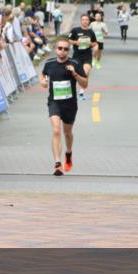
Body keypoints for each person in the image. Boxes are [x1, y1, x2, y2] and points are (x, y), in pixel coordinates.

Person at [40, 37, 89, 176]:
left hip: (70, 104)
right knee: (56, 130)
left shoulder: (75, 63)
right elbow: (43, 75)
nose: (62, 51)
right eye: (60, 48)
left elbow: (85, 84)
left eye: (66, 49)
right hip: (54, 102)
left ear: (69, 50)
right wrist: (43, 82)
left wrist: (74, 73)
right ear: (56, 49)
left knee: (67, 133)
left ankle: (68, 153)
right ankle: (57, 164)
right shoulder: (49, 63)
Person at [67, 14, 97, 101]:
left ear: (89, 21)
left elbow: (94, 43)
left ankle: (81, 91)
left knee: (85, 72)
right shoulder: (75, 30)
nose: (85, 21)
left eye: (86, 20)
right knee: (75, 74)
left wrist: (90, 44)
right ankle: (73, 91)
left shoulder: (91, 32)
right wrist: (76, 42)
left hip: (87, 56)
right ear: (81, 21)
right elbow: (69, 40)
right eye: (83, 19)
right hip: (77, 56)